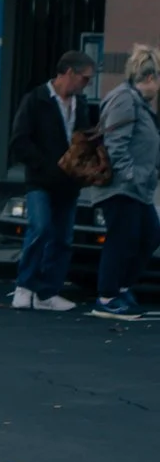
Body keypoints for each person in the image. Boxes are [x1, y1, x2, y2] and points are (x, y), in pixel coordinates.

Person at [8, 50, 100, 311]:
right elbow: (19, 140)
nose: (86, 85)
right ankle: (24, 286)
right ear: (69, 73)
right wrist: (44, 165)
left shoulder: (80, 105)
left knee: (62, 237)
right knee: (41, 228)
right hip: (41, 179)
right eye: (84, 79)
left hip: (69, 181)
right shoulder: (36, 100)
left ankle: (47, 291)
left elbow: (83, 136)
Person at [90, 43, 160, 320]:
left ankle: (120, 288)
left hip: (138, 189)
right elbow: (116, 145)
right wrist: (133, 176)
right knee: (122, 240)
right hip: (121, 188)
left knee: (149, 234)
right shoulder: (125, 100)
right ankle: (107, 297)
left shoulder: (139, 103)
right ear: (150, 78)